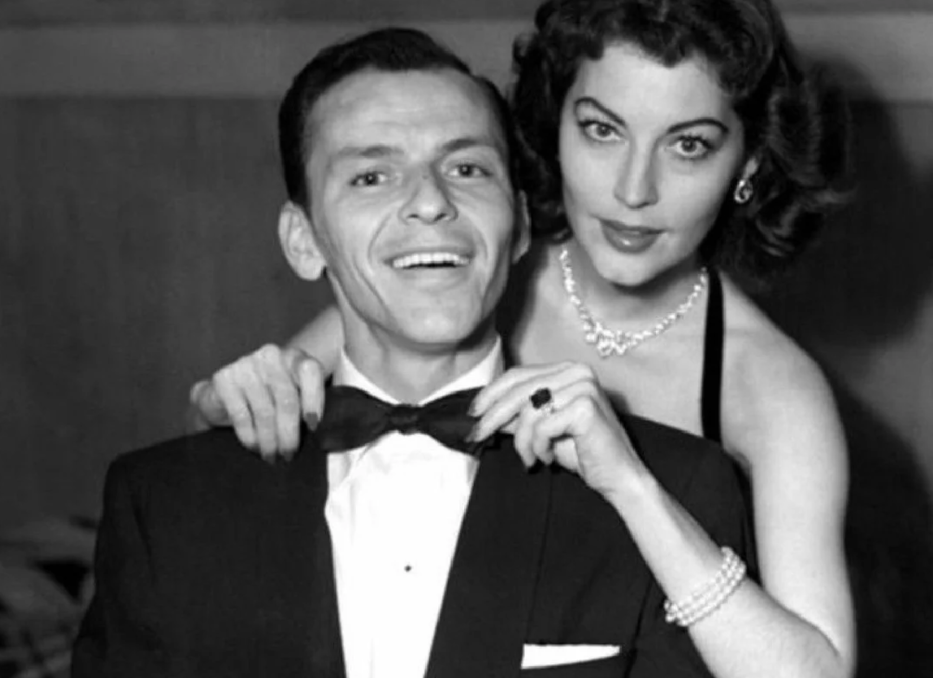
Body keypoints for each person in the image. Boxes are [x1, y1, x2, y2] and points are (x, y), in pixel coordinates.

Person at [189, 1, 856, 677]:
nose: (634, 190)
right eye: (602, 130)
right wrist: (227, 395)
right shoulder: (467, 272)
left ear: (748, 163)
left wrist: (635, 488)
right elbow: (245, 420)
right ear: (552, 124)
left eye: (688, 146)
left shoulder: (769, 387)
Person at [73, 27, 753, 678]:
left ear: (519, 225)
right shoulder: (165, 504)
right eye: (372, 177)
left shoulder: (672, 490)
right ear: (303, 241)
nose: (430, 203)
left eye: (466, 168)